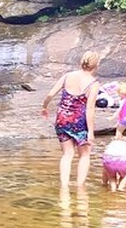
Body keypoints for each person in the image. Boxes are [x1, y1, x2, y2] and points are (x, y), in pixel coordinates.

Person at [41, 51, 101, 188]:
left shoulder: (67, 76)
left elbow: (50, 94)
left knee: (67, 154)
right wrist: (91, 131)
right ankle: (80, 188)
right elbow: (90, 109)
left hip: (62, 118)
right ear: (96, 66)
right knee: (84, 155)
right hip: (79, 121)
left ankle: (64, 187)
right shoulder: (93, 84)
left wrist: (44, 107)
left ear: (82, 62)